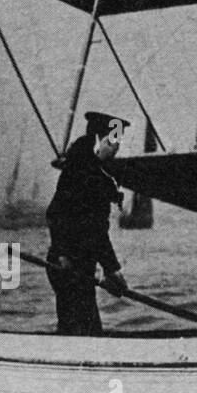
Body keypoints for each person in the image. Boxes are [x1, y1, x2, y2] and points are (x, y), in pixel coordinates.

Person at [45, 111, 131, 336]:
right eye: (113, 143)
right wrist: (112, 271)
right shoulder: (87, 176)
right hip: (68, 266)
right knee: (84, 329)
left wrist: (109, 269)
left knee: (78, 328)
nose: (116, 150)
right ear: (99, 142)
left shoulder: (82, 170)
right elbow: (92, 229)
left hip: (76, 265)